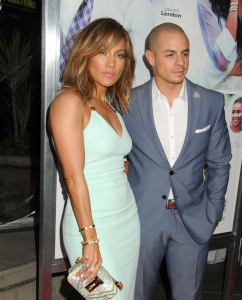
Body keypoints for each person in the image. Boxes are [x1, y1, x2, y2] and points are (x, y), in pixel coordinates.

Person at [123, 23, 232, 300]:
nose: (180, 62)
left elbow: (219, 163)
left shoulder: (210, 102)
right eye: (170, 54)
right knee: (135, 295)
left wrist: (214, 210)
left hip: (192, 220)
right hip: (142, 218)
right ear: (150, 58)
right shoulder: (126, 103)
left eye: (185, 53)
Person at [49, 18, 140, 299]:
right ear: (85, 54)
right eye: (103, 52)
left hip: (126, 221)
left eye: (120, 55)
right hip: (91, 228)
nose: (112, 63)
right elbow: (74, 177)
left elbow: (117, 160)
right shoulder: (68, 102)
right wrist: (90, 239)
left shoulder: (111, 105)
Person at [197, 0, 242, 92]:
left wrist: (232, 70)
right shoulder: (206, 3)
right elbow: (222, 62)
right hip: (216, 89)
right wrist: (234, 6)